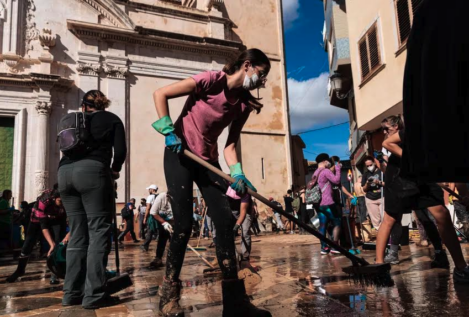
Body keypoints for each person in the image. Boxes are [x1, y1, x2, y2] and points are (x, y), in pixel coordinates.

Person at [152, 48, 271, 316]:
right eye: (261, 75)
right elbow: (160, 94)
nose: (262, 82)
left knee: (225, 220)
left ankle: (234, 301)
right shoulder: (211, 80)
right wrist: (168, 129)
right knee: (182, 224)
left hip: (208, 161)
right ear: (247, 65)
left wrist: (237, 172)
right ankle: (168, 296)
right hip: (179, 154)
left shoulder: (242, 104)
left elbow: (230, 145)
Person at [375, 120, 469, 283]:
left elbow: (455, 168)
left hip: (422, 177)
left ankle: (460, 267)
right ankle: (379, 266)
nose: (383, 131)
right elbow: (387, 143)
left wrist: (465, 195)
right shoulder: (415, 132)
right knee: (390, 219)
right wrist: (415, 163)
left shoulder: (445, 138)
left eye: (385, 128)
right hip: (399, 177)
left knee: (441, 214)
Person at [58, 90, 127, 308]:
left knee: (77, 233)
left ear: (83, 105)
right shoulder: (112, 119)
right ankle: (94, 295)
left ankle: (71, 293)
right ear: (103, 104)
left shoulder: (74, 120)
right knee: (99, 231)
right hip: (92, 172)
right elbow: (121, 151)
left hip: (64, 173)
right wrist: (115, 170)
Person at [6, 188, 62, 284]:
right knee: (28, 243)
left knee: (58, 242)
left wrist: (55, 243)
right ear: (54, 198)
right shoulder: (43, 201)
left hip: (56, 218)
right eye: (60, 201)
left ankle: (55, 273)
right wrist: (51, 243)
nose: (62, 203)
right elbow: (43, 226)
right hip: (37, 219)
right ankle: (20, 270)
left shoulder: (66, 200)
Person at [310, 153, 341, 255]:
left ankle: (324, 247)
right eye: (328, 161)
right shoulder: (325, 171)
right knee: (337, 222)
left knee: (322, 225)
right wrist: (337, 167)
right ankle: (335, 246)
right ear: (324, 161)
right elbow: (336, 181)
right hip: (328, 202)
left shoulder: (315, 173)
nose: (329, 162)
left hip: (319, 204)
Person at [146, 191, 174, 269]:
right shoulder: (161, 197)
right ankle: (158, 258)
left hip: (175, 220)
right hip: (163, 219)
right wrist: (164, 223)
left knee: (175, 240)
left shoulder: (180, 197)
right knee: (162, 238)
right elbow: (153, 212)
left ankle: (174, 259)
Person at [361, 156, 385, 230]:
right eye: (367, 166)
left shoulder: (381, 172)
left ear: (374, 163)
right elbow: (364, 189)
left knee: (384, 219)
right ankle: (380, 235)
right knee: (375, 222)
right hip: (370, 199)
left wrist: (379, 182)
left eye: (370, 165)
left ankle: (387, 237)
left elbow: (388, 184)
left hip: (382, 197)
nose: (369, 167)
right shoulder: (365, 174)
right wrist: (367, 183)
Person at [354, 176, 371, 243]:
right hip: (362, 197)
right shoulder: (360, 184)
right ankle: (364, 232)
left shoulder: (355, 184)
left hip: (357, 197)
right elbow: (363, 191)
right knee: (363, 213)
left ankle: (360, 222)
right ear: (360, 178)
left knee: (359, 213)